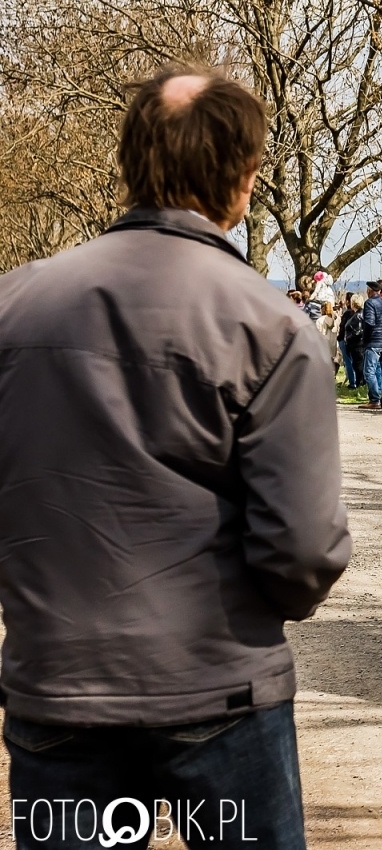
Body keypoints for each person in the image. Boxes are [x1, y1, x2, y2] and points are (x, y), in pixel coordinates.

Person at [0, 64, 349, 846]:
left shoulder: (12, 306)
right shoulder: (273, 327)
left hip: (56, 690)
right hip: (219, 691)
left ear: (128, 166)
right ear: (245, 181)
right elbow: (304, 548)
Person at [359, 279, 382, 410]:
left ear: (369, 291)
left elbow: (369, 323)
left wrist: (365, 340)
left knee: (369, 371)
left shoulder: (369, 303)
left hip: (374, 340)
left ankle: (374, 400)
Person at [338, 292, 363, 388]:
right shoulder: (360, 313)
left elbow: (343, 327)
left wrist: (341, 338)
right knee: (355, 362)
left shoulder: (349, 314)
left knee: (348, 362)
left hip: (348, 340)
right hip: (356, 342)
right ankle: (356, 381)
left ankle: (353, 382)